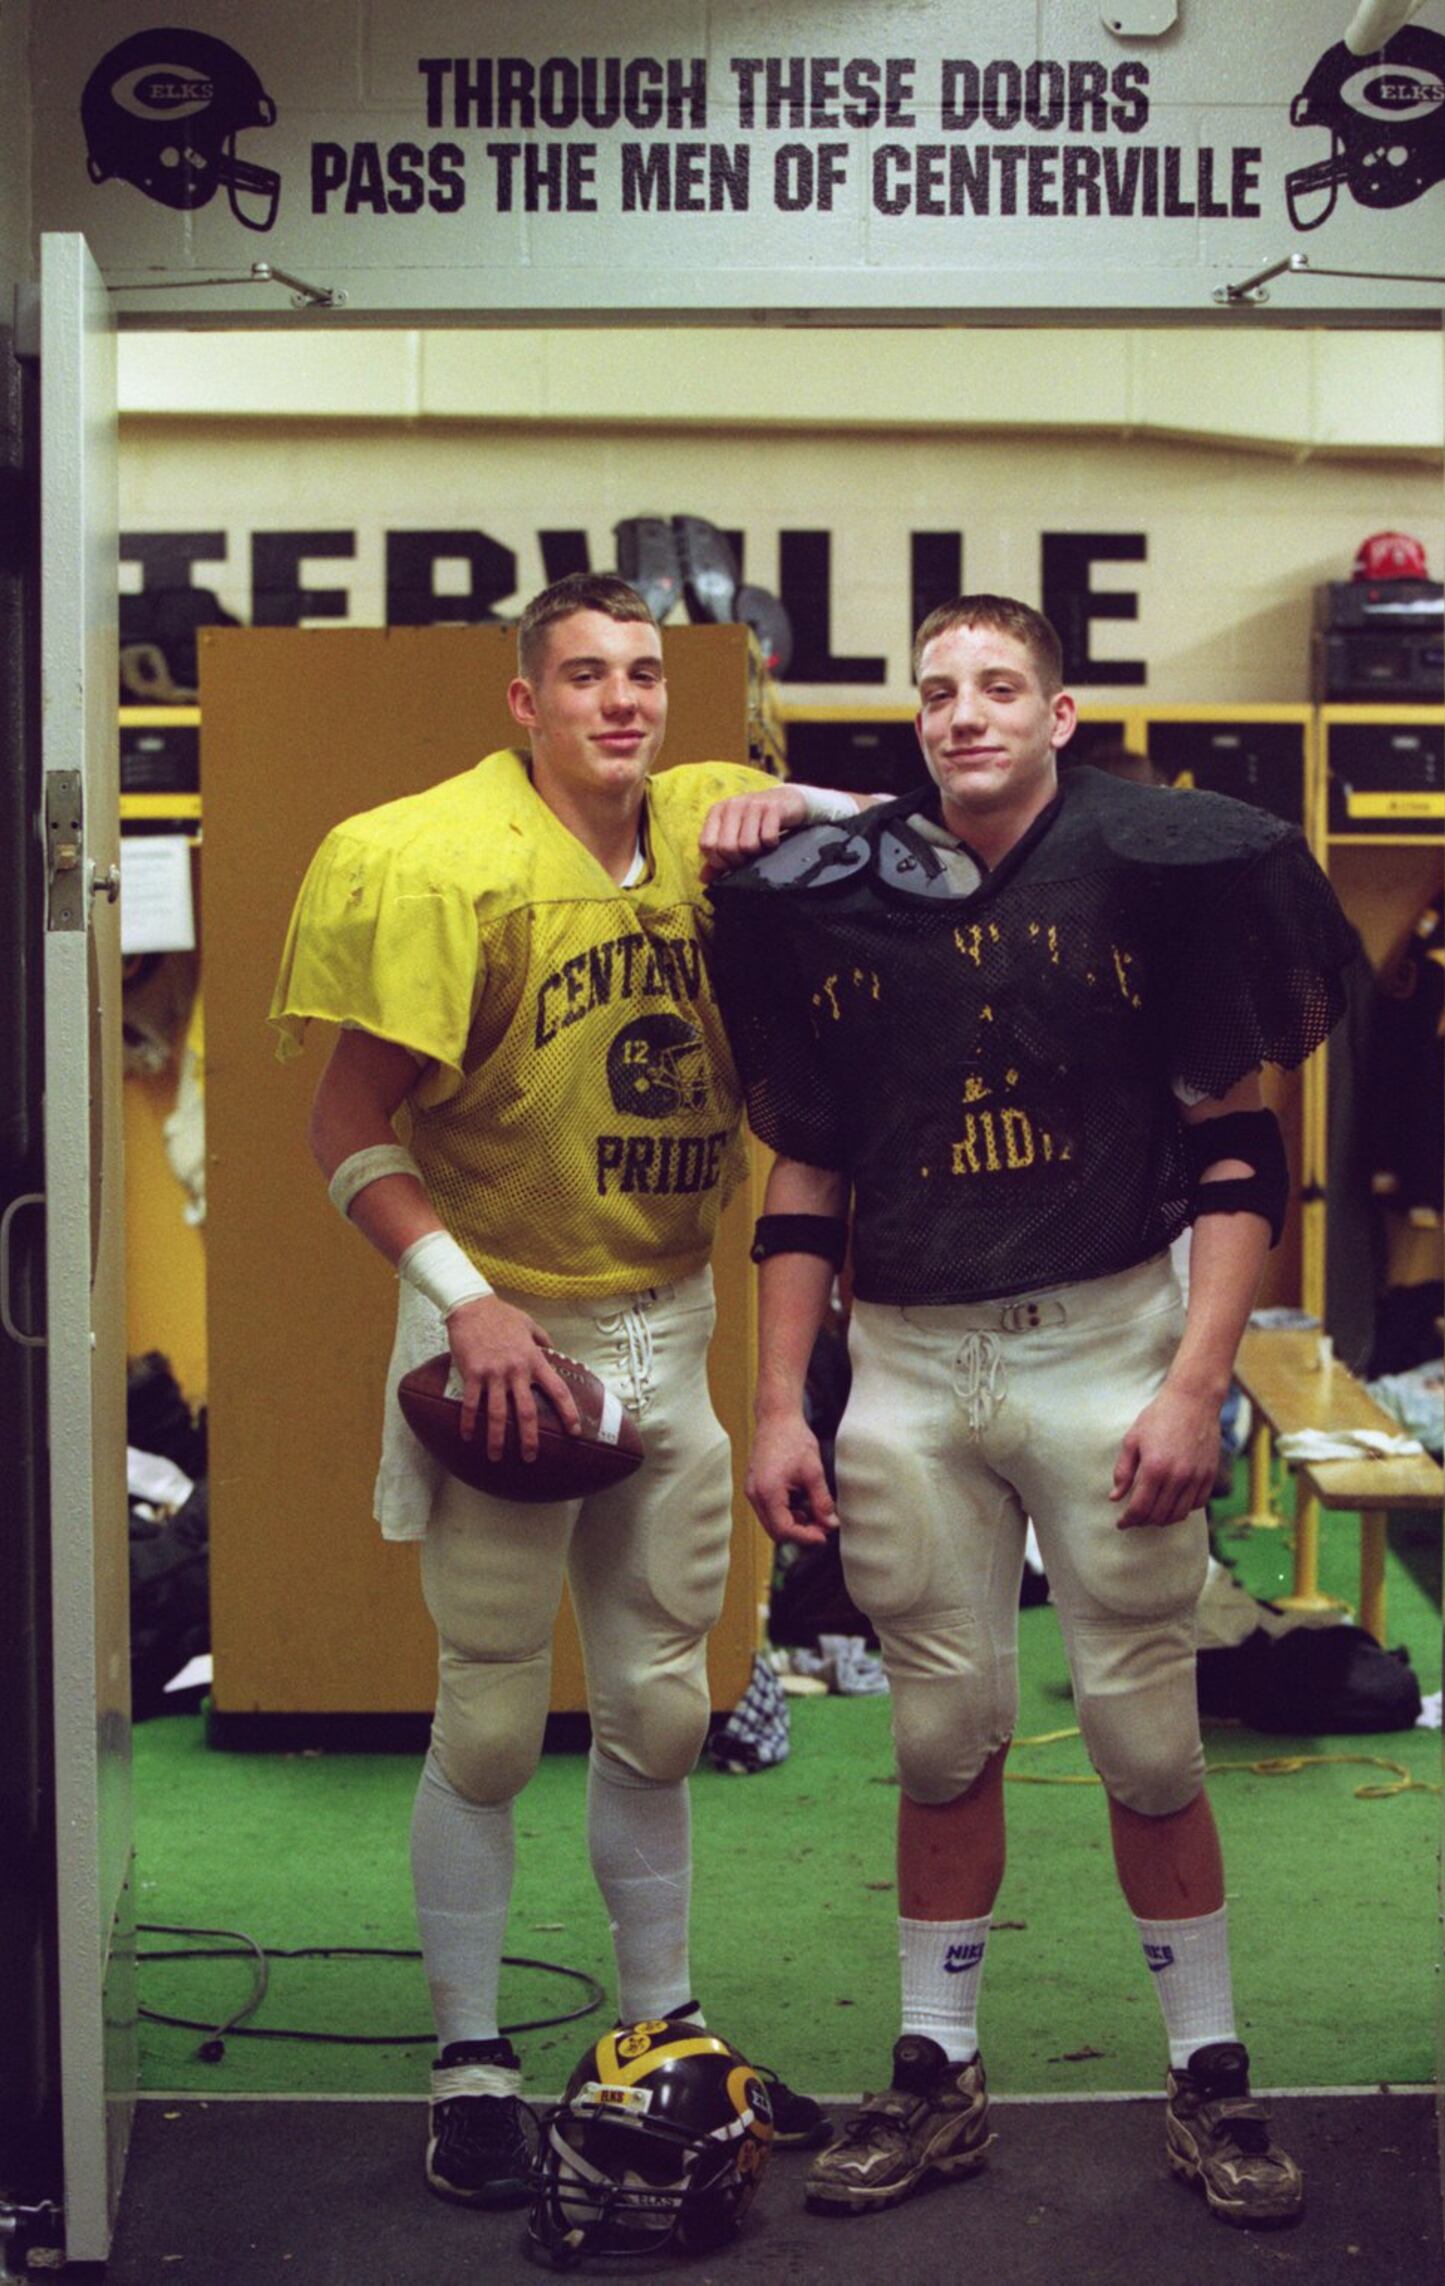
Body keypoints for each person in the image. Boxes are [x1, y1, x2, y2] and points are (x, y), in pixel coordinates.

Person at [707, 594, 1358, 2231]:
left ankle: (1209, 2074)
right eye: (937, 692)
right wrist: (780, 1402)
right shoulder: (844, 896)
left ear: (1060, 713)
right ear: (912, 723)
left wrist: (1201, 1378)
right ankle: (938, 2074)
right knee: (937, 1735)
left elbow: (1238, 1144)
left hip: (1105, 1338)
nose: (965, 713)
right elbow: (808, 1164)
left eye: (1000, 686)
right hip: (913, 1356)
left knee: (1146, 1730)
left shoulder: (1158, 872)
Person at [269, 572, 864, 2210]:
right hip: (507, 1328)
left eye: (647, 675)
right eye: (586, 675)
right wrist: (462, 1306)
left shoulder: (693, 822)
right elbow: (344, 1127)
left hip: (667, 1320)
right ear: (522, 701)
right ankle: (470, 2049)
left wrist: (797, 809)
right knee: (484, 1713)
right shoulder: (432, 853)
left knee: (664, 1706)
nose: (623, 700)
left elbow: (889, 816)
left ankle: (657, 2024)